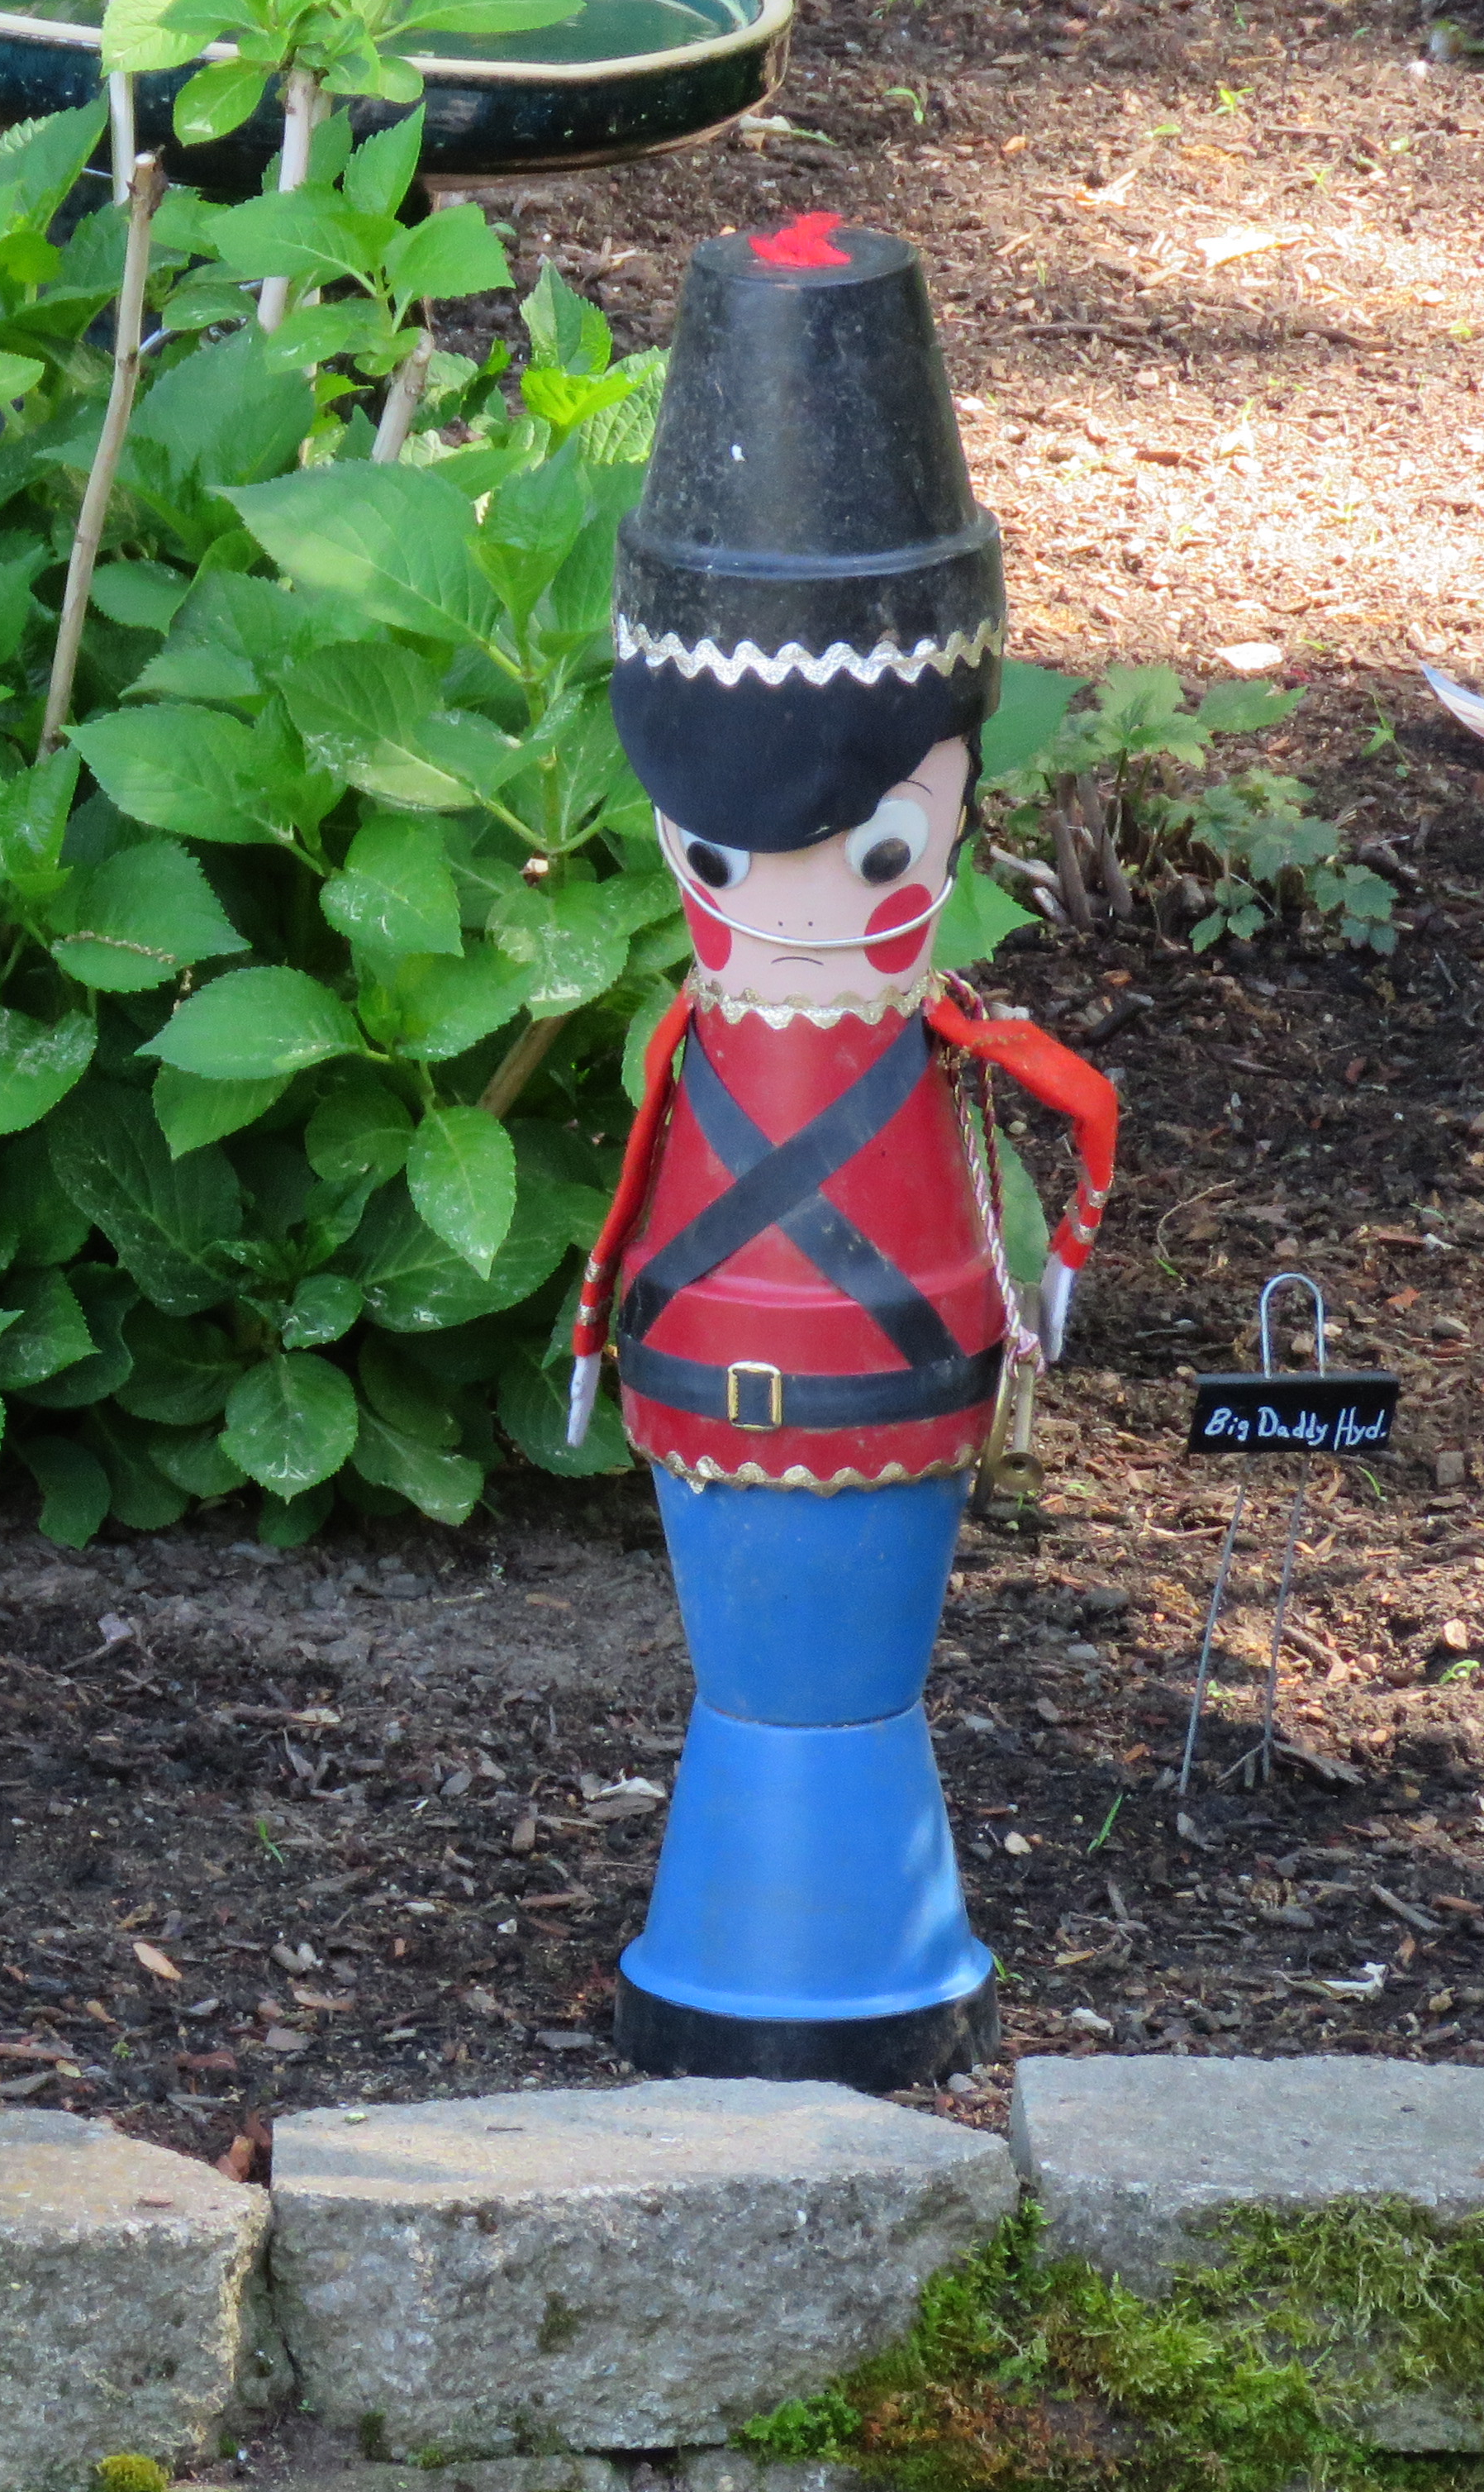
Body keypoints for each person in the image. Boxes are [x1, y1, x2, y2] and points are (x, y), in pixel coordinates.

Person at [568, 212, 1118, 2088]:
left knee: (817, 1672)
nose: (778, 896)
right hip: (770, 1302)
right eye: (715, 858)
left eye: (882, 851)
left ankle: (821, 1931)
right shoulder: (751, 1039)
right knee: (784, 1674)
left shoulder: (859, 1036)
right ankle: (821, 1933)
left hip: (818, 1300)